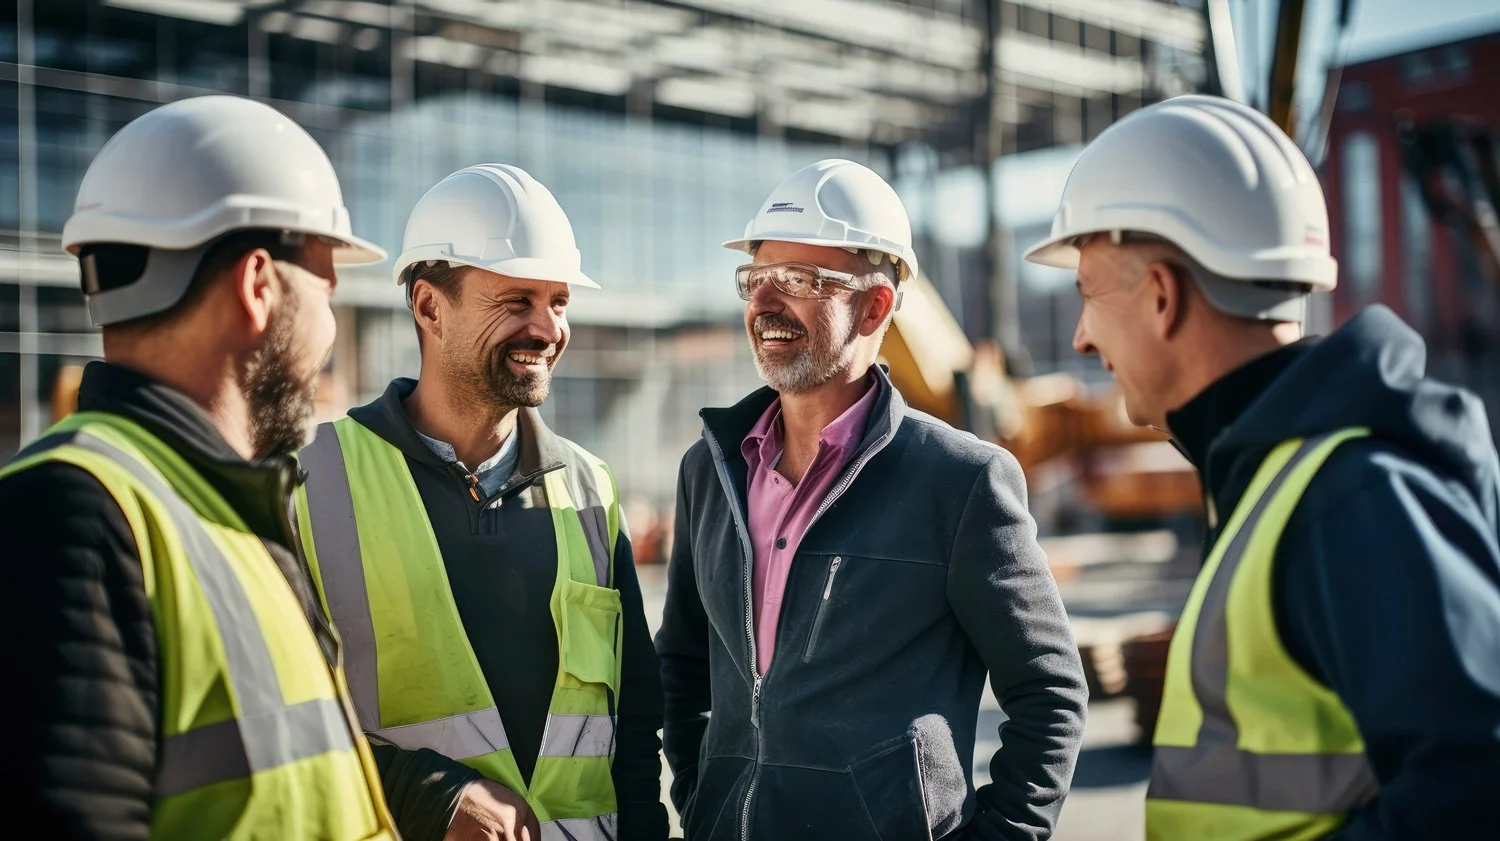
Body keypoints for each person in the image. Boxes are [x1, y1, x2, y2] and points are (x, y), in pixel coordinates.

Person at [1025, 94, 1500, 840]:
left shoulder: (1351, 496)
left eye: (1087, 293)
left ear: (1161, 296)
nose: (1081, 337)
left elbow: (1476, 787)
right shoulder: (1279, 480)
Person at [0, 95, 397, 840]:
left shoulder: (213, 509)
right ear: (258, 285)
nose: (332, 332)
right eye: (326, 289)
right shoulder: (70, 514)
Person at [656, 158, 1089, 841]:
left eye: (798, 281)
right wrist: (702, 800)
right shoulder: (708, 471)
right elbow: (681, 670)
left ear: (876, 305)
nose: (764, 304)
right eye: (755, 279)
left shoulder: (961, 482)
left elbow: (1051, 695)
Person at [296, 164, 667, 841]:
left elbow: (635, 728)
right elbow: (275, 723)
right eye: (517, 299)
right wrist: (425, 797)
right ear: (430, 307)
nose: (547, 327)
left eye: (559, 302)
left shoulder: (591, 489)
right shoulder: (312, 481)